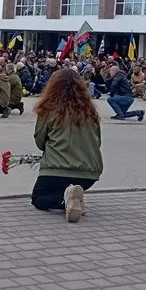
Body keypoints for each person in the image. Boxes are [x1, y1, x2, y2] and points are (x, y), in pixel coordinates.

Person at [31, 68, 103, 223]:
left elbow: (40, 141)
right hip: (88, 174)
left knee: (38, 198)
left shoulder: (48, 109)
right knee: (67, 186)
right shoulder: (90, 112)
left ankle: (66, 199)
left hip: (56, 170)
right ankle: (74, 197)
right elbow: (98, 142)